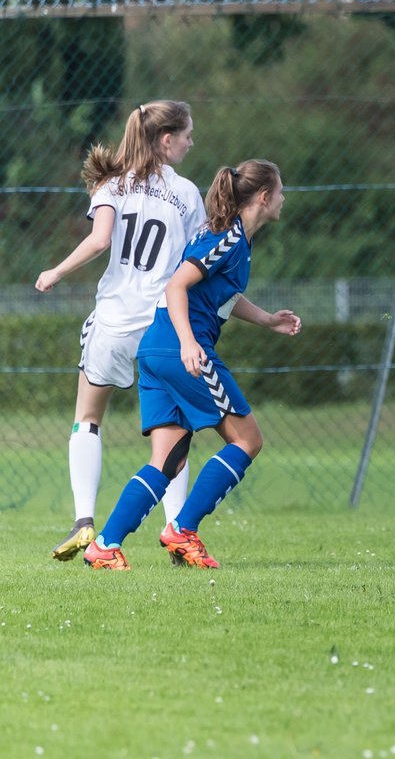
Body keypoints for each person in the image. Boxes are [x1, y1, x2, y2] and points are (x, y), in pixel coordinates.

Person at [83, 160, 301, 570]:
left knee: (169, 459)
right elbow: (177, 285)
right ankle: (182, 531)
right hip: (181, 351)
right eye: (281, 191)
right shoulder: (226, 238)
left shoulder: (234, 239)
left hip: (156, 350)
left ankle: (105, 545)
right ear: (264, 197)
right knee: (247, 441)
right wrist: (188, 342)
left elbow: (222, 296)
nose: (284, 199)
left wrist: (269, 319)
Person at [35, 100, 204, 562]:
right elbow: (195, 265)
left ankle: (84, 522)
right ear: (166, 140)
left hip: (113, 318)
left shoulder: (113, 182)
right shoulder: (187, 193)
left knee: (87, 418)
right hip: (160, 323)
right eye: (187, 134)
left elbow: (100, 239)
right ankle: (176, 532)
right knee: (173, 430)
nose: (192, 141)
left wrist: (56, 271)